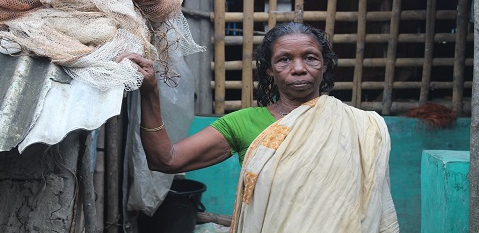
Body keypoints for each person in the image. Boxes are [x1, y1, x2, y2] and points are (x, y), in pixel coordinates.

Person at [116, 21, 399, 232]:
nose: (299, 68)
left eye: (310, 58)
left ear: (324, 65)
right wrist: (151, 92)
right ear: (269, 69)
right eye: (285, 59)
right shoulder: (243, 123)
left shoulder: (360, 127)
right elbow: (165, 159)